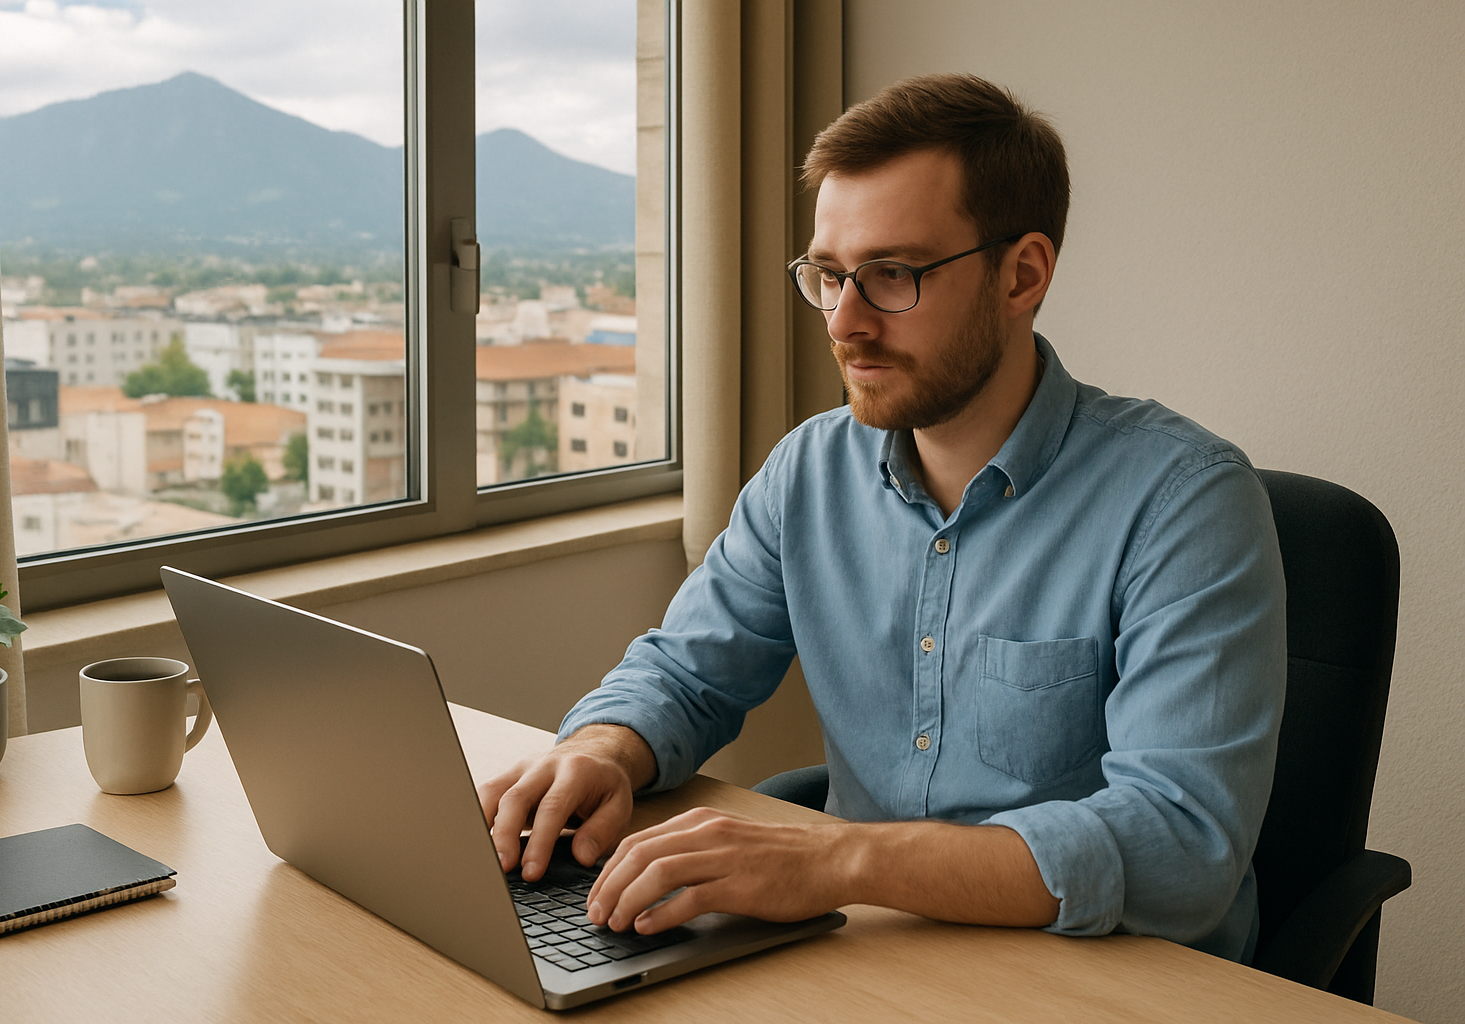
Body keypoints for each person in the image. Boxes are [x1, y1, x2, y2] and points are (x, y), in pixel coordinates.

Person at [478, 73, 1286, 962]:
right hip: (873, 951)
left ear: (1023, 275)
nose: (845, 324)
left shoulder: (1186, 501)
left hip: (1107, 973)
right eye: (829, 276)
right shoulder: (809, 470)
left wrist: (843, 858)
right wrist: (603, 748)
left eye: (892, 275)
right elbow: (686, 674)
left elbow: (1180, 848)